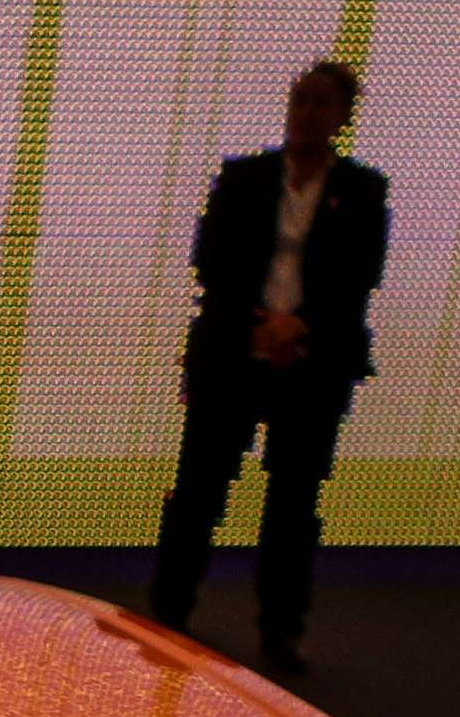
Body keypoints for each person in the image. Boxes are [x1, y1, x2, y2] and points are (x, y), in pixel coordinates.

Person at [148, 60, 390, 673]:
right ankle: (167, 612)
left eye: (320, 102)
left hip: (314, 364)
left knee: (293, 503)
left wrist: (300, 326)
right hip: (231, 354)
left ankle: (282, 630)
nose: (306, 112)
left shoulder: (363, 191)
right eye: (299, 100)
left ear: (342, 116)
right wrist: (257, 327)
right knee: (200, 489)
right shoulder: (243, 178)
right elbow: (212, 264)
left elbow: (359, 275)